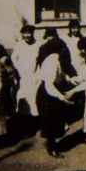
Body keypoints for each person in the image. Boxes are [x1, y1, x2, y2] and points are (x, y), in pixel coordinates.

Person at [34, 30, 76, 158]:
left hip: (51, 92)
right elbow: (49, 85)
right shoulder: (51, 62)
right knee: (51, 121)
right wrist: (62, 98)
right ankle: (51, 148)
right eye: (63, 48)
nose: (64, 50)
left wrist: (72, 80)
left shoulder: (56, 59)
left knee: (56, 119)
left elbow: (61, 75)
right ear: (59, 49)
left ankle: (53, 145)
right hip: (47, 94)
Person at [9, 24, 42, 131]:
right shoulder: (19, 45)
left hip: (34, 77)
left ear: (32, 34)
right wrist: (18, 70)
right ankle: (23, 123)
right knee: (21, 98)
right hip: (22, 77)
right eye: (25, 33)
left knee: (33, 99)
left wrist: (38, 74)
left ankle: (34, 123)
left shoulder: (38, 45)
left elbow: (40, 61)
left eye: (29, 33)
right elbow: (14, 58)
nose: (27, 35)